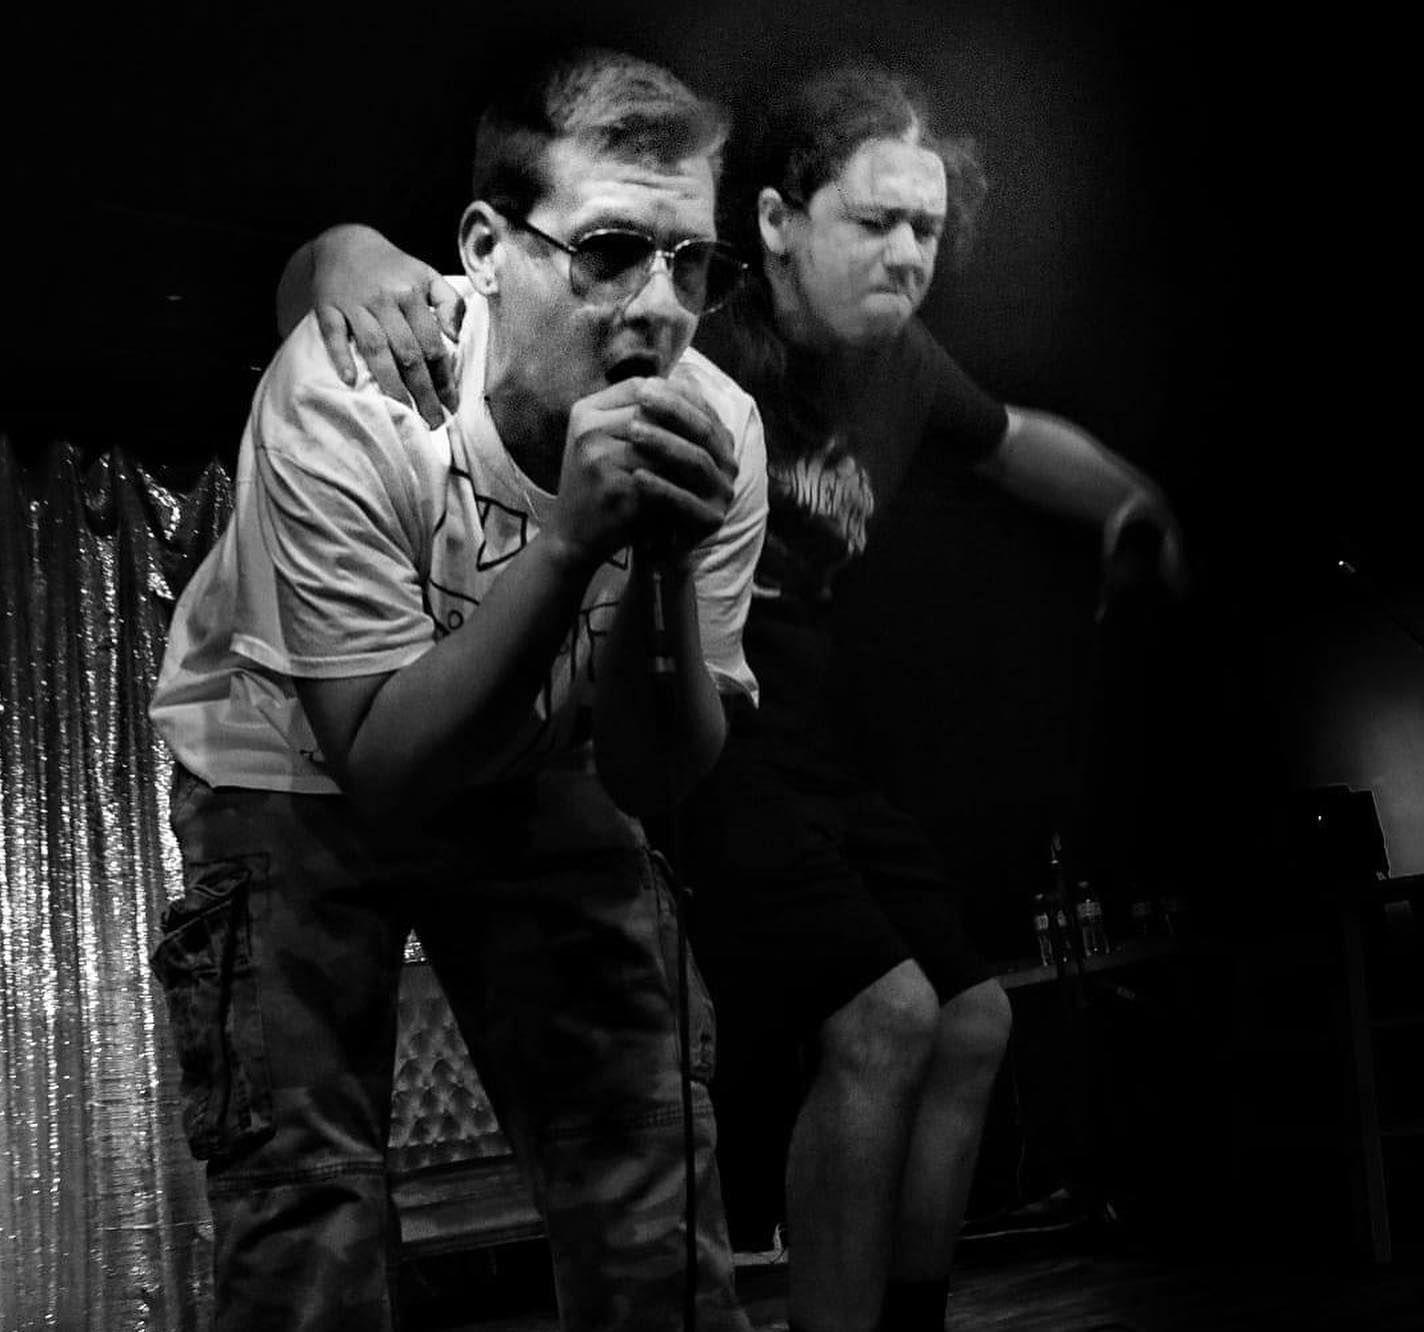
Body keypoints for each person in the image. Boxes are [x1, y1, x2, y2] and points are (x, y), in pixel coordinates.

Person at [279, 61, 1184, 1332]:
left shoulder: (867, 371)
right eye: (876, 220)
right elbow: (435, 293)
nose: (908, 254)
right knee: (884, 1018)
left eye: (928, 228)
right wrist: (330, 256)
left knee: (972, 1018)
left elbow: (1012, 440)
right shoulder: (686, 332)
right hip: (555, 737)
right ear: (778, 226)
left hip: (746, 717)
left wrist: (1138, 504)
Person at [149, 47, 769, 1332]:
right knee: (306, 1206)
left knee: (646, 1155)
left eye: (692, 262)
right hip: (289, 764)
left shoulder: (720, 427)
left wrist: (658, 565)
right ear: (486, 248)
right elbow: (380, 767)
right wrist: (570, 545)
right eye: (611, 251)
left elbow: (654, 773)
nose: (660, 307)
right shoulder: (353, 397)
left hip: (536, 759)